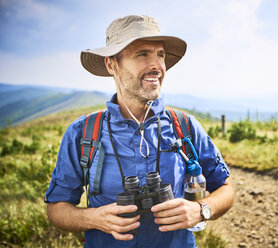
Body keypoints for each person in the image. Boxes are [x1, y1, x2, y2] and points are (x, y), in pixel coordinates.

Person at [44, 15, 234, 248]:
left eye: (160, 55)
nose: (157, 66)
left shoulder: (184, 126)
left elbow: (225, 189)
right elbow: (56, 209)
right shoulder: (82, 133)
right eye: (142, 54)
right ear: (111, 64)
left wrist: (201, 209)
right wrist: (92, 218)